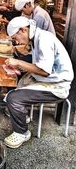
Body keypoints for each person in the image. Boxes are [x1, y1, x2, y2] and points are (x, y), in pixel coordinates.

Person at [4, 16, 74, 148]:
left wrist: (18, 62)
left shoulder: (44, 39)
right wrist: (19, 62)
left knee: (13, 98)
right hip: (48, 79)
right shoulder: (36, 37)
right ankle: (21, 116)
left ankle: (22, 132)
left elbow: (45, 71)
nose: (16, 41)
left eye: (15, 38)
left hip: (57, 85)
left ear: (23, 30)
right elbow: (32, 56)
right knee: (18, 82)